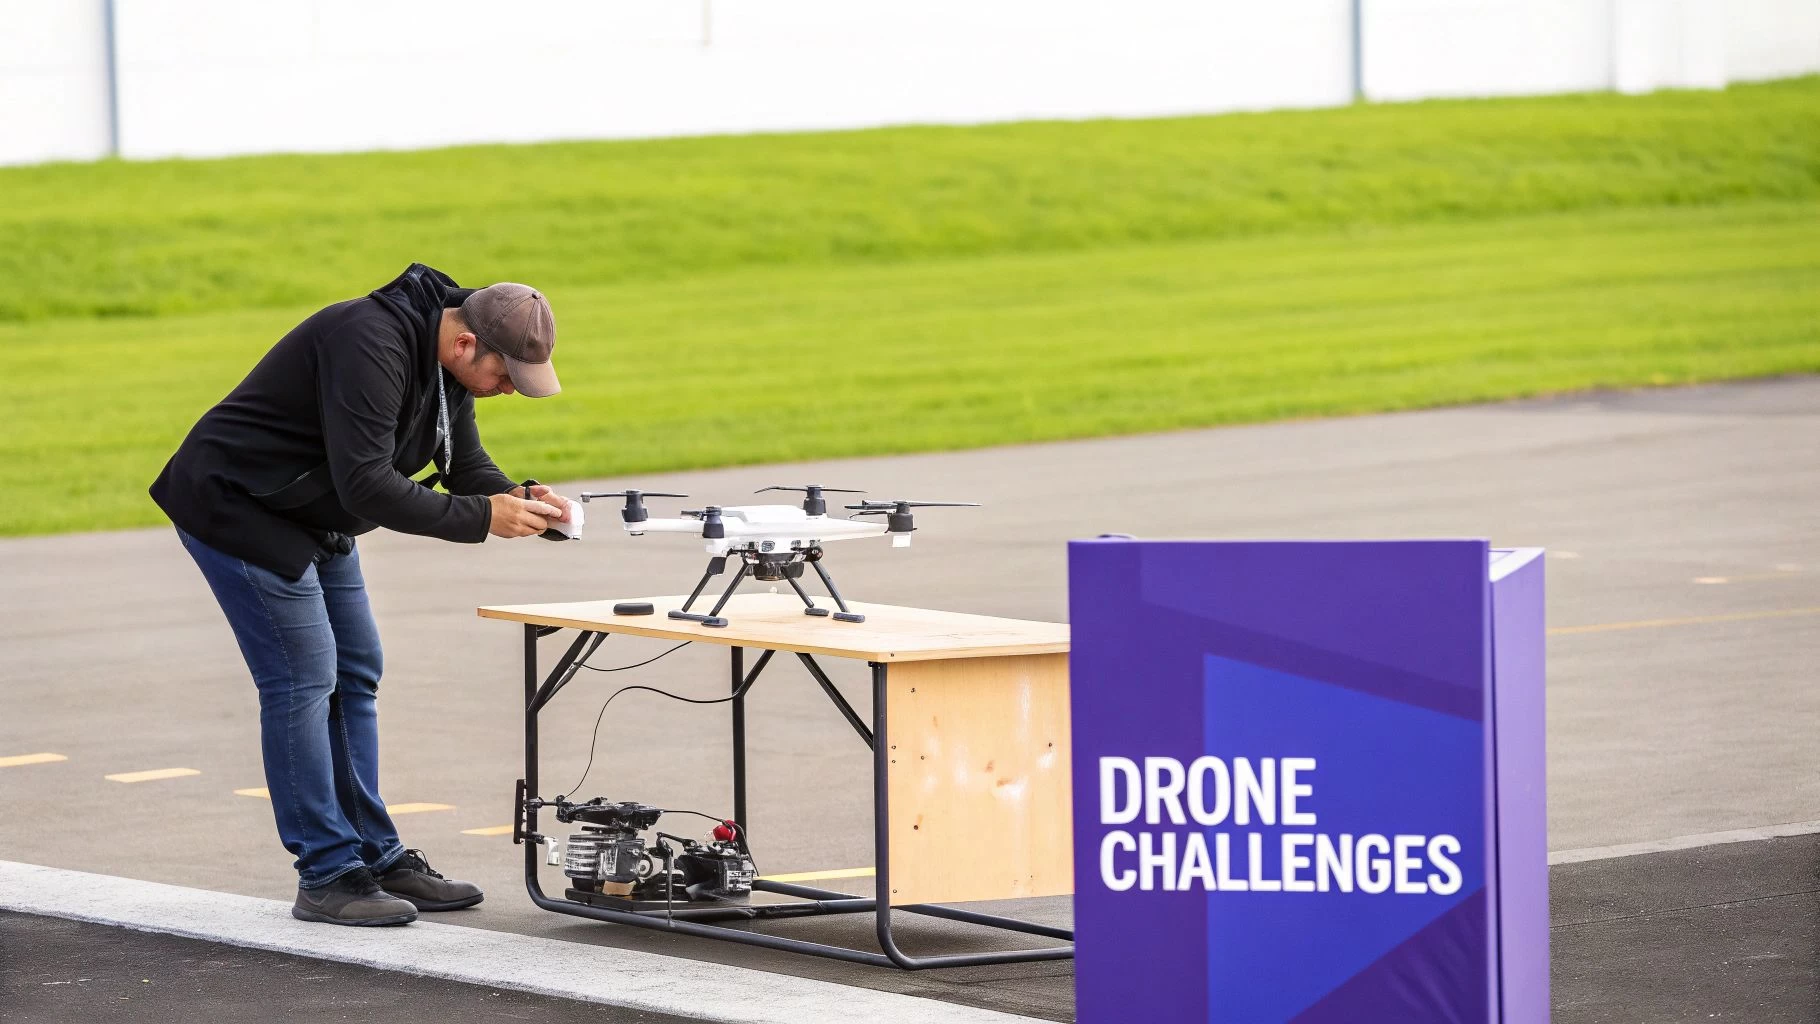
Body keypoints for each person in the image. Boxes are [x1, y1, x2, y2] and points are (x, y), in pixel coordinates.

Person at [151, 263, 573, 926]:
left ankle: (375, 856)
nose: (508, 391)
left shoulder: (447, 359)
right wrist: (479, 518)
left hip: (312, 513)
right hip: (238, 505)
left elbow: (462, 466)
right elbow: (367, 486)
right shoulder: (369, 343)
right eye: (505, 377)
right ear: (467, 346)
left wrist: (519, 501)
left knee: (356, 669)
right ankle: (327, 874)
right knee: (302, 679)